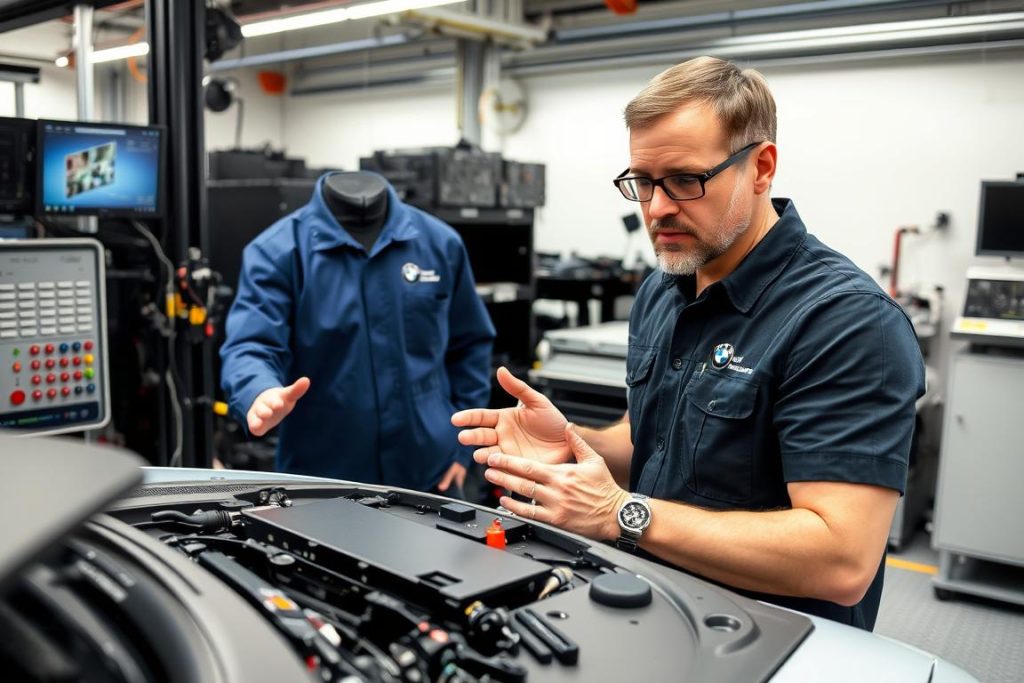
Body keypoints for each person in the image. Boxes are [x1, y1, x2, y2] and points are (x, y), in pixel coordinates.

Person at [452, 56, 924, 630]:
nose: (657, 209)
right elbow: (650, 440)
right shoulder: (664, 289)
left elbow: (840, 558)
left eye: (684, 180)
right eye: (642, 182)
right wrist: (574, 446)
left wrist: (618, 513)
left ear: (761, 167)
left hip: (769, 641)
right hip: (652, 607)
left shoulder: (846, 322)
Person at [221, 170, 495, 494]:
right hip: (322, 480)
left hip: (430, 473)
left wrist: (462, 449)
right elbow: (250, 344)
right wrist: (258, 389)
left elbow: (471, 345)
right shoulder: (277, 252)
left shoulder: (439, 243)